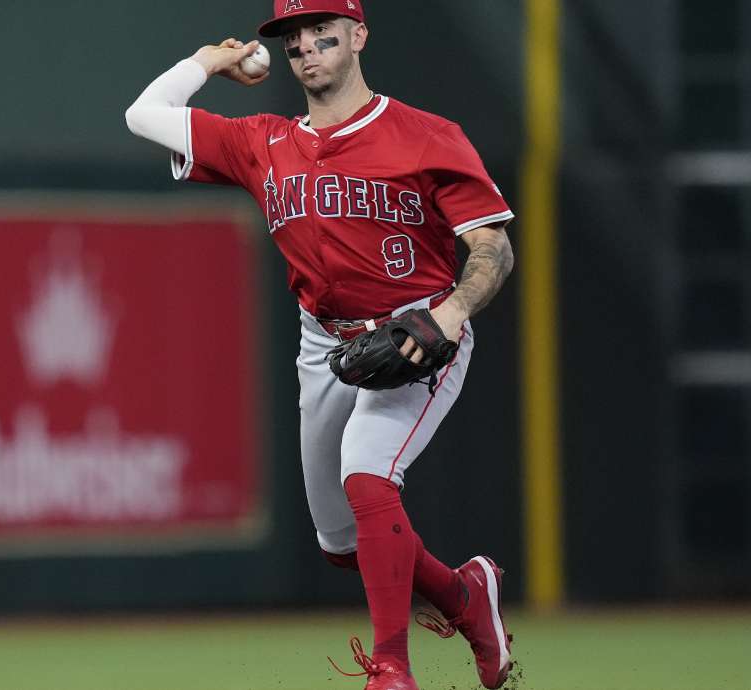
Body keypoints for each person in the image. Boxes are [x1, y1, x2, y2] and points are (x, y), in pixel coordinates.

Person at [124, 1, 516, 688]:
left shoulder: (426, 135)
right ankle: (464, 597)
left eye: (322, 29)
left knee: (368, 478)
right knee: (342, 543)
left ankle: (391, 669)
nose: (306, 45)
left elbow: (493, 249)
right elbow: (142, 114)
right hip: (325, 347)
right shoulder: (262, 141)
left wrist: (449, 315)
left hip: (414, 334)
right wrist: (207, 64)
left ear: (359, 35)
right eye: (292, 36)